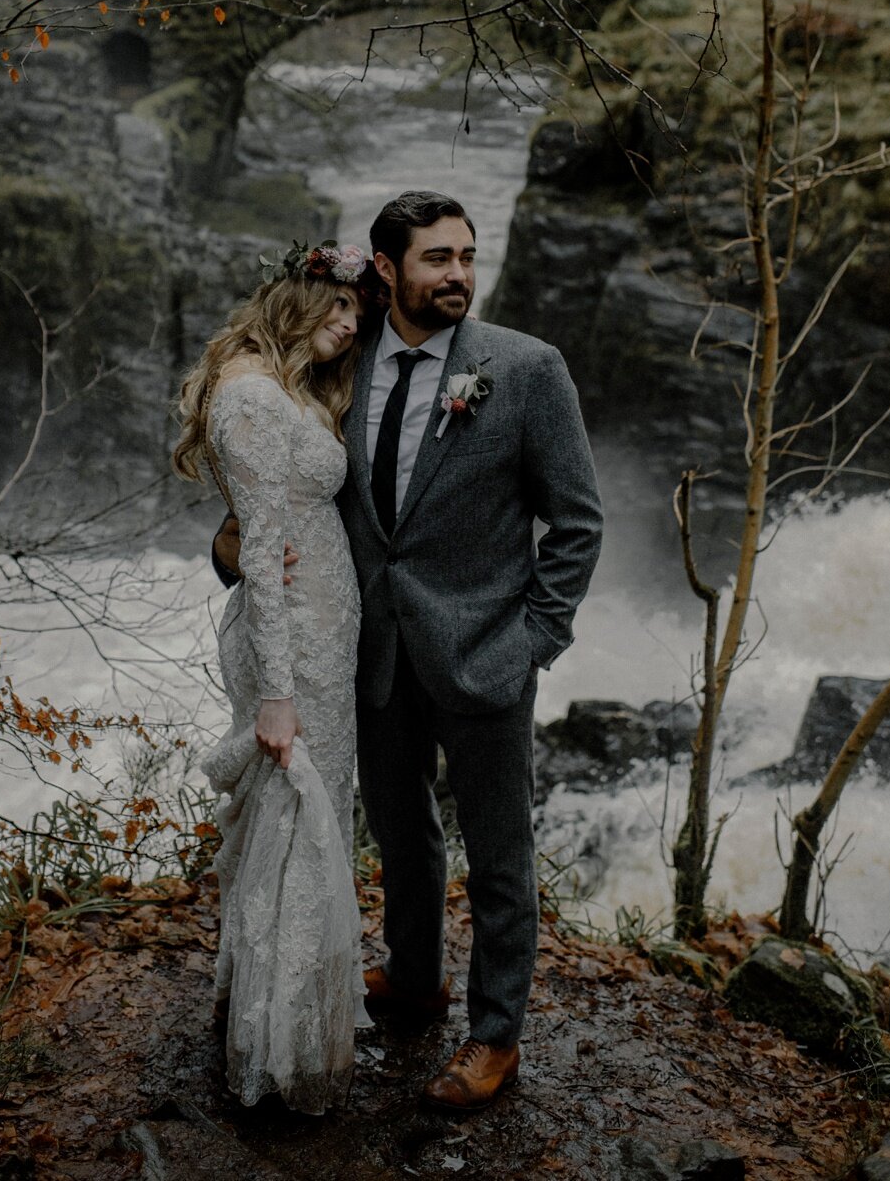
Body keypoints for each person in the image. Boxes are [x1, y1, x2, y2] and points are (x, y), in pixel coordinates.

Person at [214, 191, 603, 1111]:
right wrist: (232, 553)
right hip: (371, 654)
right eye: (437, 258)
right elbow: (270, 502)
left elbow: (578, 524)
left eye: (467, 255)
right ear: (387, 271)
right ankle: (417, 975)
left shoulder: (526, 369)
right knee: (402, 834)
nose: (459, 274)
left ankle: (495, 1035)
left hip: (485, 656)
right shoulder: (336, 371)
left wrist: (534, 641)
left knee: (500, 855)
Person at [172, 240, 378, 1114]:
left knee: (295, 814)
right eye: (337, 308)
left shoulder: (278, 383)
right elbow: (257, 542)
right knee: (298, 814)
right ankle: (283, 1049)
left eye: (357, 317)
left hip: (321, 632)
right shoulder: (253, 395)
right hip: (292, 642)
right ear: (297, 296)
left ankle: (269, 1011)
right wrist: (278, 694)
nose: (348, 325)